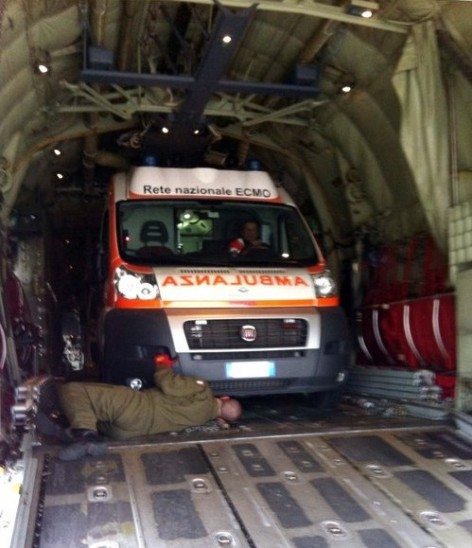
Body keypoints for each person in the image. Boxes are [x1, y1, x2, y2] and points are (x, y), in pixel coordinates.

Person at [37, 364, 242, 461]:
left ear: (223, 398)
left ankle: (85, 436)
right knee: (91, 416)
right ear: (220, 416)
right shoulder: (205, 419)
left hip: (136, 407)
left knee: (75, 391)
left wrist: (163, 366)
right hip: (129, 432)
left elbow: (168, 385)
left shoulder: (203, 390)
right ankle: (68, 434)